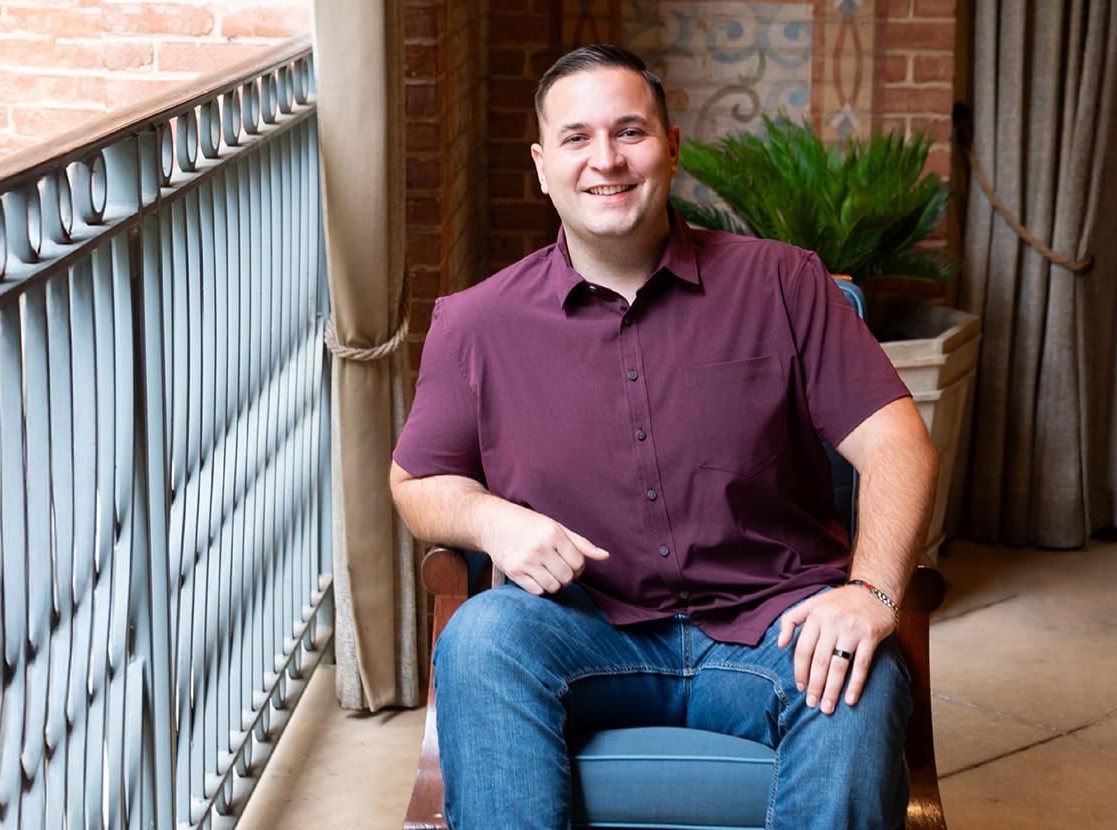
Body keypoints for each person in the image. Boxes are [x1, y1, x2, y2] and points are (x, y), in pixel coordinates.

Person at [388, 43, 938, 829]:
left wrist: (871, 593)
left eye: (629, 133)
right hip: (576, 628)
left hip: (773, 623)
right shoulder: (477, 323)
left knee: (856, 672)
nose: (604, 160)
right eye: (576, 139)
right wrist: (489, 519)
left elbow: (897, 446)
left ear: (670, 148)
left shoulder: (783, 283)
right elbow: (416, 482)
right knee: (481, 637)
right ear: (543, 166)